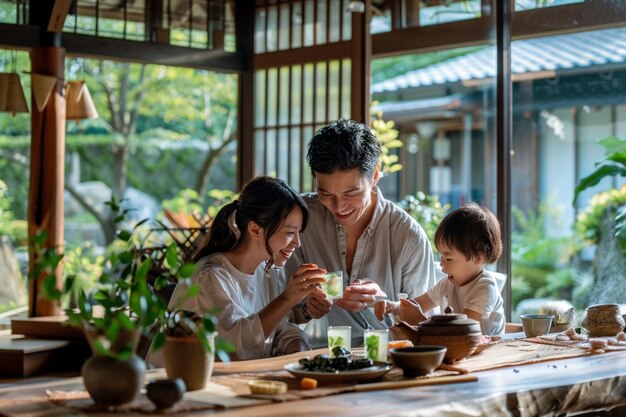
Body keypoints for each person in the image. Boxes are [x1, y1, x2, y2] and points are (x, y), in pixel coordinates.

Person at [284, 119, 437, 348]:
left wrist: (385, 302)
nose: (338, 206)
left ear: (375, 175)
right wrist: (306, 308)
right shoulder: (301, 221)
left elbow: (426, 330)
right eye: (325, 193)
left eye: (351, 193)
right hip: (311, 358)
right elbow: (274, 307)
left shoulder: (407, 236)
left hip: (385, 361)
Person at [168, 176, 326, 360]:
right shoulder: (210, 276)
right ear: (255, 230)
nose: (297, 243)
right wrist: (288, 297)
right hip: (181, 383)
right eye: (290, 233)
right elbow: (233, 346)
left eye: (299, 233)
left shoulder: (266, 270)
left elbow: (278, 327)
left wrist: (297, 344)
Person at [374, 203, 505, 336]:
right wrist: (391, 307)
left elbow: (462, 333)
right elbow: (415, 305)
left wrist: (419, 320)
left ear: (478, 257)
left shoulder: (484, 288)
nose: (442, 265)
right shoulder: (447, 283)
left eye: (448, 259)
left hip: (488, 353)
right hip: (461, 352)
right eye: (441, 256)